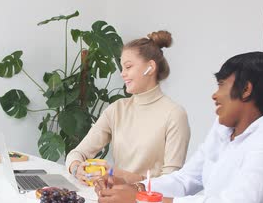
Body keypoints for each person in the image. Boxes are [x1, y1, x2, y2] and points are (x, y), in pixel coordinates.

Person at [96, 51, 263, 203]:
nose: (215, 95)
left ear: (246, 90)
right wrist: (135, 188)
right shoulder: (223, 128)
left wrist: (145, 201)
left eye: (222, 85)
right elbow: (185, 180)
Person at [65, 31, 191, 185]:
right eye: (122, 67)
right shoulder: (117, 109)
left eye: (128, 67)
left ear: (150, 67)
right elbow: (77, 153)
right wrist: (76, 168)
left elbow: (171, 183)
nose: (122, 73)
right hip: (112, 201)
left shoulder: (174, 114)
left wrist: (118, 175)